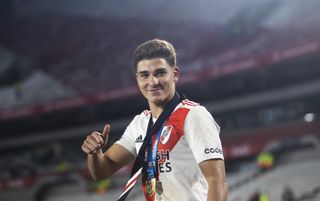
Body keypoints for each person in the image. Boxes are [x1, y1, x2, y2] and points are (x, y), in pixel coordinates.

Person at [81, 39, 228, 201]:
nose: (153, 81)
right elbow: (102, 171)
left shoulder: (193, 115)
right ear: (137, 79)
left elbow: (217, 180)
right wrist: (94, 153)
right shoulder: (140, 123)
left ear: (175, 74)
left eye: (160, 73)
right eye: (145, 75)